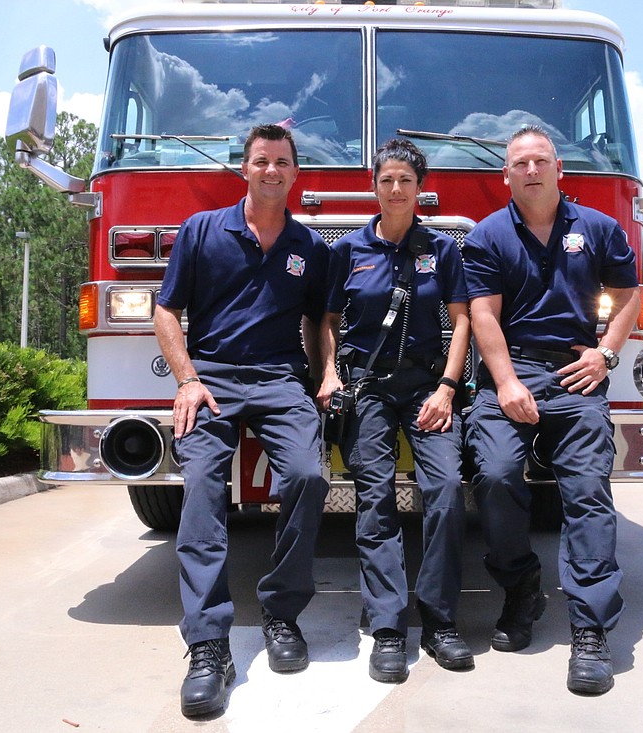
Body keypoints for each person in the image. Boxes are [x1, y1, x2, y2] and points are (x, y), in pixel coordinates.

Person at [154, 123, 330, 717]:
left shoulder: (310, 247)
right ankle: (208, 646)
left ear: (295, 172)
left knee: (309, 476)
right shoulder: (202, 230)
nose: (271, 170)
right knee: (203, 489)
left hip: (281, 377)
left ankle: (281, 613)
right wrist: (188, 380)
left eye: (282, 161)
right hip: (213, 378)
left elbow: (318, 323)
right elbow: (167, 310)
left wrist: (320, 375)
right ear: (245, 167)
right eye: (261, 160)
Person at [461, 125, 641, 695]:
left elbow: (629, 291)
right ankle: (521, 589)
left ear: (559, 168)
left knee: (586, 489)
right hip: (510, 372)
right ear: (506, 175)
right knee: (493, 475)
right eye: (521, 163)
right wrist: (507, 382)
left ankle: (589, 629)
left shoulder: (599, 228)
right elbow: (484, 315)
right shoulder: (487, 236)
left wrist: (606, 353)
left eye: (541, 161)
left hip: (574, 371)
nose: (531, 170)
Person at [317, 139, 473, 684]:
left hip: (429, 388)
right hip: (369, 389)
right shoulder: (347, 251)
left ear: (420, 189)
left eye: (406, 180)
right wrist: (331, 373)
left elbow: (462, 322)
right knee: (375, 497)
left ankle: (439, 619)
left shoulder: (443, 251)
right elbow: (328, 323)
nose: (396, 189)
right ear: (374, 186)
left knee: (447, 491)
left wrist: (449, 389)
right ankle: (387, 625)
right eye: (387, 180)